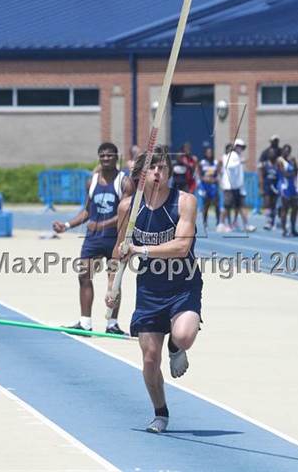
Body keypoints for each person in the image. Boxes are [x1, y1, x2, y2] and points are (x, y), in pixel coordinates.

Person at [106, 145, 203, 433]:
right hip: (149, 290)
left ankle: (176, 345)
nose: (159, 172)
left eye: (164, 167)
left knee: (184, 336)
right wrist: (113, 287)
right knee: (149, 359)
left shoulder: (184, 202)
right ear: (141, 174)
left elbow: (182, 247)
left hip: (183, 283)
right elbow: (119, 250)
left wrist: (140, 249)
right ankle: (160, 413)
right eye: (153, 167)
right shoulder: (128, 208)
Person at [53, 142, 133, 334]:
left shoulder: (124, 182)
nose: (106, 159)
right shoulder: (92, 181)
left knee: (114, 282)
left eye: (109, 155)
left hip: (115, 239)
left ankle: (112, 324)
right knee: (84, 275)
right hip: (93, 239)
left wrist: (103, 224)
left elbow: (127, 213)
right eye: (102, 156)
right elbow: (88, 211)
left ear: (116, 157)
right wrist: (66, 225)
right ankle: (85, 322)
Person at [224, 139, 256, 232]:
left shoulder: (237, 156)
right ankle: (223, 223)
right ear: (235, 146)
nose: (241, 149)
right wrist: (240, 162)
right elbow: (229, 166)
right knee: (228, 207)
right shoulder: (232, 155)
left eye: (242, 147)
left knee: (240, 206)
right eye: (239, 147)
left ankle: (241, 224)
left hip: (237, 187)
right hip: (230, 186)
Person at [278, 144, 298, 237]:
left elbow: (296, 171)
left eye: (288, 151)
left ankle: (293, 229)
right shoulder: (280, 161)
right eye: (285, 150)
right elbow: (285, 174)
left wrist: (294, 163)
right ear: (282, 151)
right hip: (284, 187)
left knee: (295, 208)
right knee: (285, 209)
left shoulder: (291, 161)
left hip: (292, 187)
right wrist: (293, 172)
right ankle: (284, 229)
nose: (287, 152)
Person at [197, 146, 220, 230]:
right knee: (206, 205)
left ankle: (218, 222)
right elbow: (199, 174)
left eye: (211, 152)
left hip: (213, 186)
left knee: (217, 204)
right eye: (208, 152)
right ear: (205, 153)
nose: (209, 154)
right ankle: (205, 222)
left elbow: (218, 173)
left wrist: (216, 179)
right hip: (205, 186)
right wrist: (204, 179)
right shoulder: (202, 163)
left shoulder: (215, 162)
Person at [258, 147, 279, 230]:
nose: (272, 155)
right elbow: (261, 177)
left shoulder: (278, 164)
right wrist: (261, 188)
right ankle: (268, 221)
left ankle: (273, 222)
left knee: (274, 205)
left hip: (276, 186)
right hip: (267, 186)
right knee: (267, 204)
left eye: (273, 153)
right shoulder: (265, 164)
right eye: (270, 153)